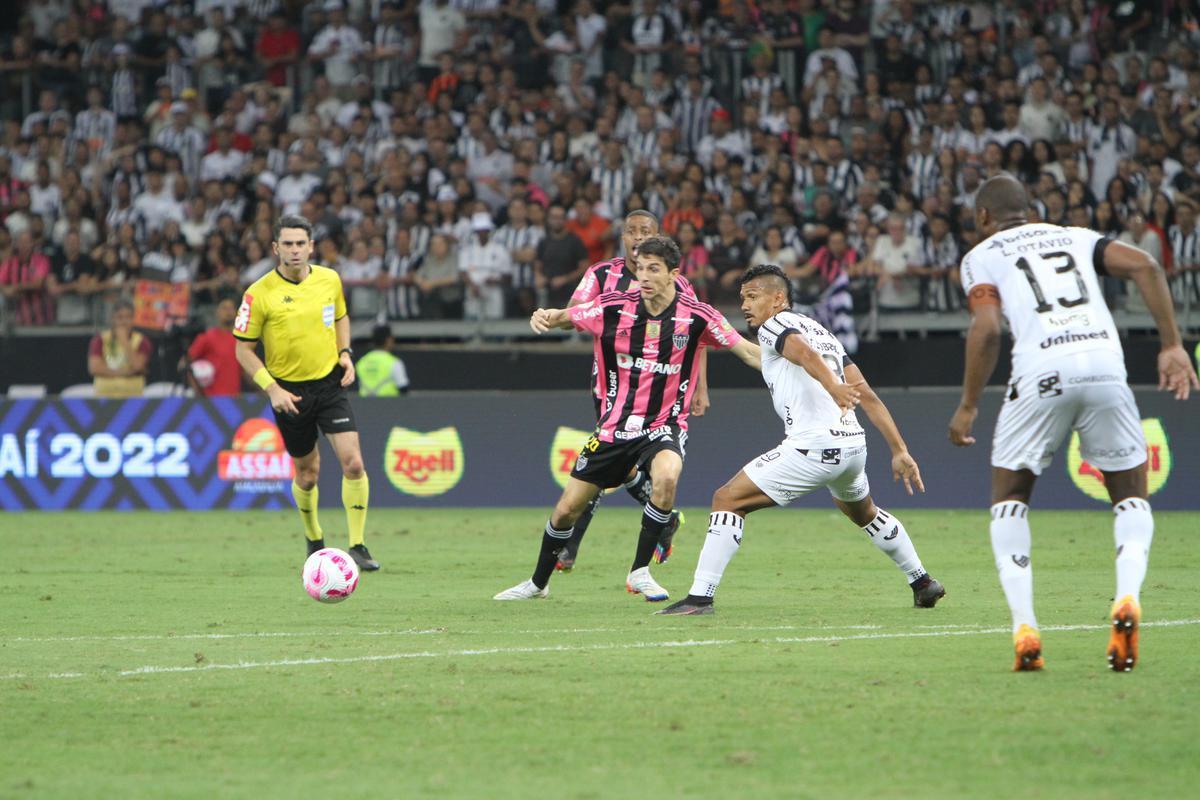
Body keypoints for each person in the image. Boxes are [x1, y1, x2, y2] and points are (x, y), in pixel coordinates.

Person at [948, 175, 1198, 672]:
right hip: (1106, 366)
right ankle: (1126, 597)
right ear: (1032, 208)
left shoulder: (982, 254)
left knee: (1010, 499)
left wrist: (969, 404)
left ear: (981, 217)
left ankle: (1025, 627)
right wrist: (1172, 345)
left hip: (1041, 372)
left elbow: (989, 327)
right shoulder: (1076, 236)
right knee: (1131, 494)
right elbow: (1147, 266)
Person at [659, 264, 945, 616]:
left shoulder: (775, 324)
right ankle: (922, 582)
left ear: (778, 299)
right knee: (864, 513)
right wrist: (899, 449)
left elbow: (804, 356)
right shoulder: (821, 331)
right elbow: (865, 393)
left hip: (816, 446)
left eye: (753, 296)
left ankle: (699, 599)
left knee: (727, 498)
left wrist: (832, 386)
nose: (745, 305)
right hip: (853, 446)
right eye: (742, 298)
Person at [495, 236, 762, 602]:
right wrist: (544, 315)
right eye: (640, 268)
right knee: (567, 510)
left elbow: (748, 352)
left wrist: (801, 365)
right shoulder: (612, 308)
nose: (644, 276)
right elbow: (566, 317)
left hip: (663, 425)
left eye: (654, 269)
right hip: (613, 427)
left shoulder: (697, 316)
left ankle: (639, 571)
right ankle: (538, 584)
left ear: (673, 274)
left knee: (667, 475)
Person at [554, 210, 709, 573]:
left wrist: (701, 387)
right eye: (631, 231)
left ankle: (569, 546)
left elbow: (698, 337)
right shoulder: (601, 275)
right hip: (611, 388)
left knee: (607, 466)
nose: (638, 237)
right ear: (622, 237)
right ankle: (664, 520)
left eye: (646, 231)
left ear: (657, 238)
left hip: (662, 391)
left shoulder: (678, 284)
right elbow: (574, 312)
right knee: (615, 467)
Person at [233, 215, 379, 572]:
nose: (295, 250)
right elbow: (242, 350)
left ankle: (357, 545)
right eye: (288, 244)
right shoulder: (258, 293)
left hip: (329, 384)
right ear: (275, 248)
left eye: (301, 243)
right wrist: (273, 390)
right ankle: (314, 538)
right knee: (307, 473)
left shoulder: (329, 280)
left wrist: (345, 354)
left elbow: (341, 317)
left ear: (311, 246)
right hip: (289, 393)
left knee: (354, 463)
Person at [87, 301, 153, 398]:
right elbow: (95, 368)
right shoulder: (100, 340)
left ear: (133, 319)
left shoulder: (142, 341)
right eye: (119, 317)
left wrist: (125, 342)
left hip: (133, 398)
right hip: (104, 398)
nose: (124, 322)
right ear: (112, 319)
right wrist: (125, 372)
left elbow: (138, 366)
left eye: (128, 317)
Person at [186, 297, 242, 397]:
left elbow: (245, 371)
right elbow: (185, 364)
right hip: (212, 401)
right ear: (217, 312)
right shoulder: (206, 337)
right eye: (224, 308)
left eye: (231, 308)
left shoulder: (241, 340)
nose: (228, 311)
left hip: (235, 400)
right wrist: (199, 393)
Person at [356, 324, 410, 397]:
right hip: (390, 406)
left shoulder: (362, 362)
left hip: (365, 406)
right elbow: (403, 388)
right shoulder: (394, 362)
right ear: (389, 340)